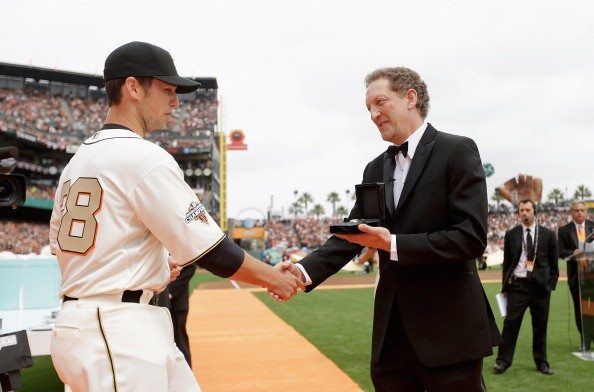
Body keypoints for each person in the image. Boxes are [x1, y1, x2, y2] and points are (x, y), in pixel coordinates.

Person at [48, 41, 303, 392]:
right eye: (167, 90)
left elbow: (70, 249)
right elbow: (212, 252)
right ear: (133, 87)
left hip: (103, 322)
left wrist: (150, 266)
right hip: (117, 331)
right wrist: (275, 278)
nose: (176, 101)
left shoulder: (78, 162)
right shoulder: (141, 156)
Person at [278, 67, 501, 391]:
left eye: (380, 102)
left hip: (449, 333)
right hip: (391, 340)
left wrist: (394, 244)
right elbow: (353, 235)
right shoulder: (375, 167)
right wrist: (301, 272)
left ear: (410, 97)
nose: (373, 114)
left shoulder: (457, 151)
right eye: (368, 107)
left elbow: (470, 238)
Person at [494, 199, 558, 375]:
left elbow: (553, 263)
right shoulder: (511, 234)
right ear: (518, 213)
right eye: (521, 210)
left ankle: (542, 363)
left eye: (527, 210)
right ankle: (503, 361)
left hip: (540, 288)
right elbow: (507, 263)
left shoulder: (548, 234)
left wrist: (550, 284)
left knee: (540, 326)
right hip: (518, 286)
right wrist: (505, 286)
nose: (524, 213)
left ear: (534, 211)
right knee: (510, 324)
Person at [558, 200, 594, 341]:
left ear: (586, 212)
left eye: (582, 210)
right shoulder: (564, 230)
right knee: (580, 309)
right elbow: (560, 251)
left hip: (592, 274)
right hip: (576, 277)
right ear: (571, 212)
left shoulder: (593, 227)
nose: (579, 213)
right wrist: (574, 252)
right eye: (576, 210)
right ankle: (584, 339)